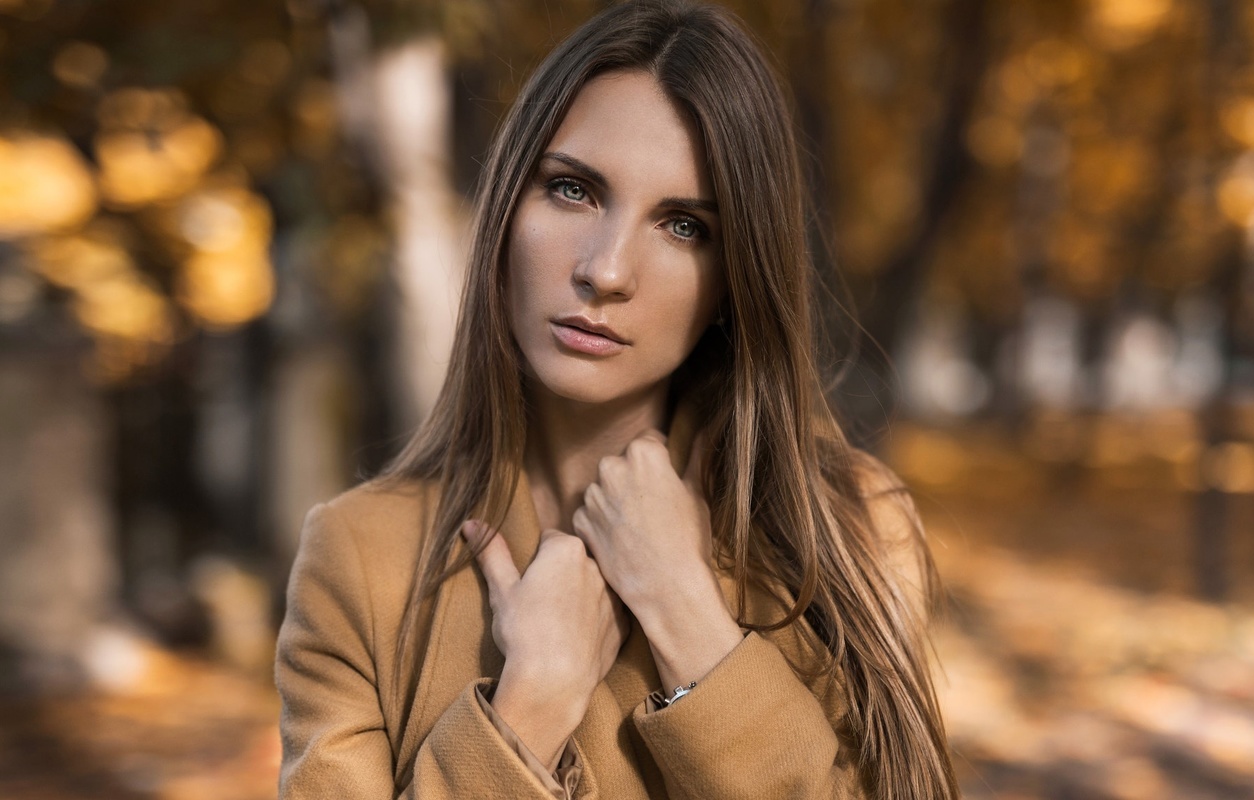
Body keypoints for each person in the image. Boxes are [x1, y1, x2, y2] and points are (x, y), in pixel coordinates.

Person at [275, 1, 958, 798]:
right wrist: (528, 710)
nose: (605, 271)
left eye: (683, 226)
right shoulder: (360, 559)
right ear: (504, 211)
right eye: (573, 190)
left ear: (736, 279)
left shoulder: (849, 528)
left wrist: (688, 616)